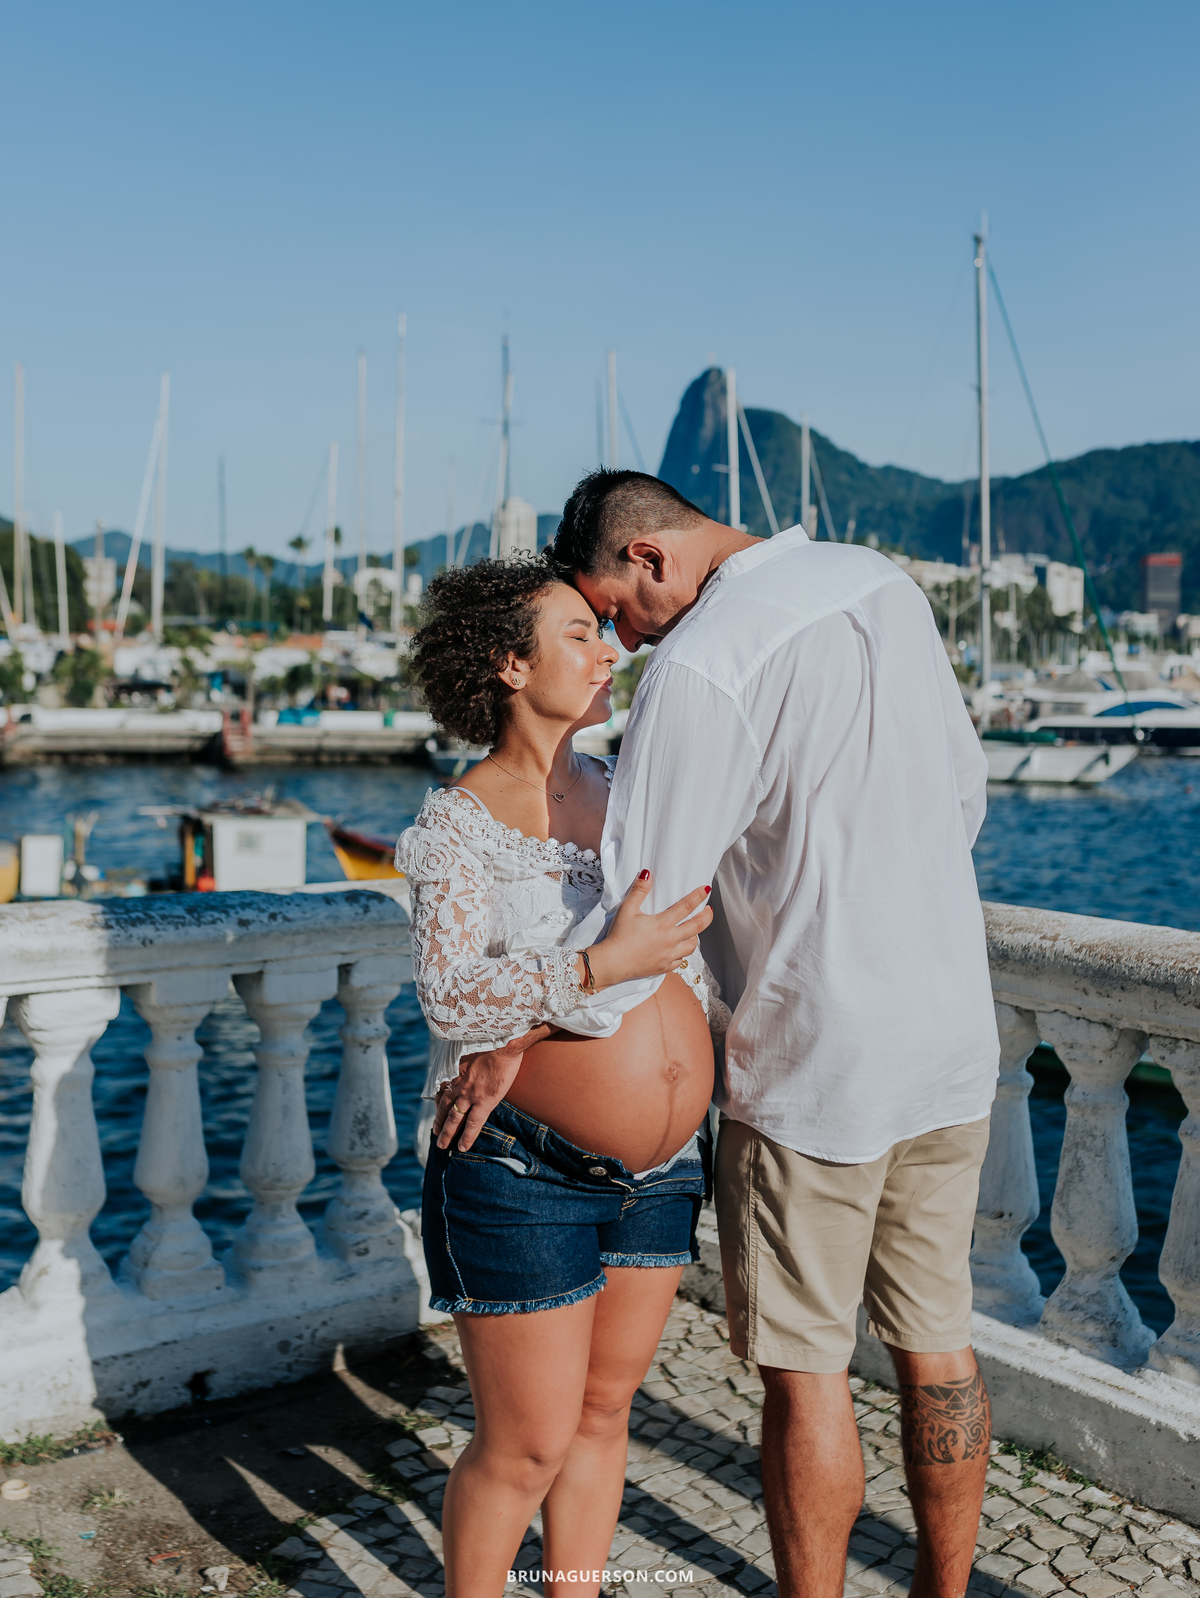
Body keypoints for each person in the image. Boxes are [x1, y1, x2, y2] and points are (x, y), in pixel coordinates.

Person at [541, 470, 1001, 1598]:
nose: (621, 640)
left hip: (817, 1060)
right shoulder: (880, 582)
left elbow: (646, 898)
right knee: (938, 1346)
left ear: (649, 558)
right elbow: (966, 793)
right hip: (948, 1034)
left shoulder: (703, 662)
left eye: (615, 611)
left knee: (806, 1373)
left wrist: (536, 1022)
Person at [394, 554, 727, 1598]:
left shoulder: (630, 794)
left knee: (601, 1415)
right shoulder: (456, 825)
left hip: (663, 1169)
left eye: (603, 631)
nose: (607, 649)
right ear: (506, 663)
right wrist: (597, 968)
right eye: (578, 634)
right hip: (523, 1169)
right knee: (524, 1446)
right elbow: (452, 998)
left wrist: (534, 1023)